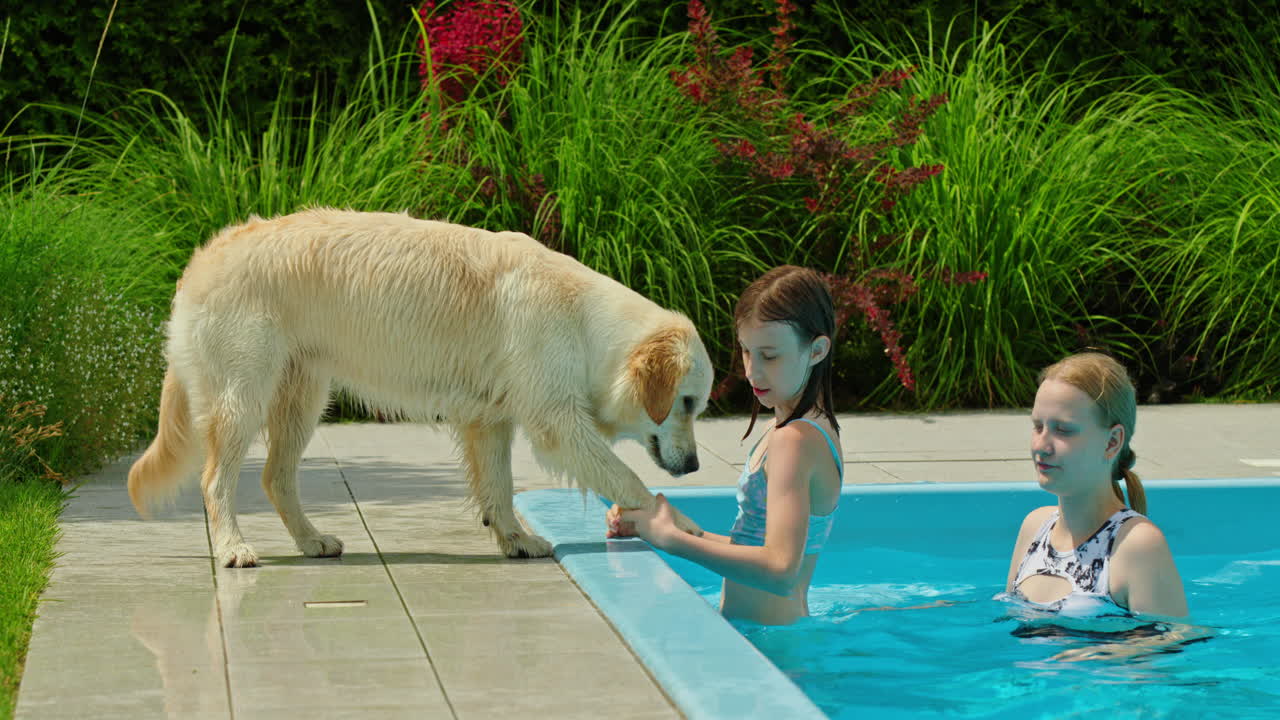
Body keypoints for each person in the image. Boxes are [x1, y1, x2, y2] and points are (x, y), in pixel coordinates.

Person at [606, 265, 843, 626]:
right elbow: (757, 546)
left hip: (772, 647)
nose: (752, 371)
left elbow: (780, 571)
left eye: (770, 355)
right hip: (771, 636)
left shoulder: (794, 442)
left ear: (816, 350)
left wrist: (672, 540)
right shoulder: (804, 428)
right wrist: (684, 529)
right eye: (747, 351)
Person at [1005, 351, 1188, 622]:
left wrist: (1097, 655)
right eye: (1038, 426)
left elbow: (1170, 645)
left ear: (1112, 442)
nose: (1041, 446)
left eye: (1063, 430)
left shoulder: (1136, 545)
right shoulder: (1035, 528)